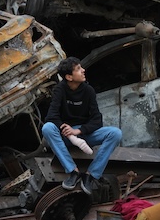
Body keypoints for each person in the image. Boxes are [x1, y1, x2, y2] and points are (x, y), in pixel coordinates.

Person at [42, 56, 122, 195]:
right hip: (65, 136)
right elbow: (51, 116)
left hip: (83, 134)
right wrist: (66, 130)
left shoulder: (88, 90)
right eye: (78, 69)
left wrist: (78, 131)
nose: (83, 70)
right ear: (69, 77)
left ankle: (91, 175)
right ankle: (73, 172)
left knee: (115, 133)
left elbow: (97, 120)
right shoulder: (59, 90)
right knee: (47, 128)